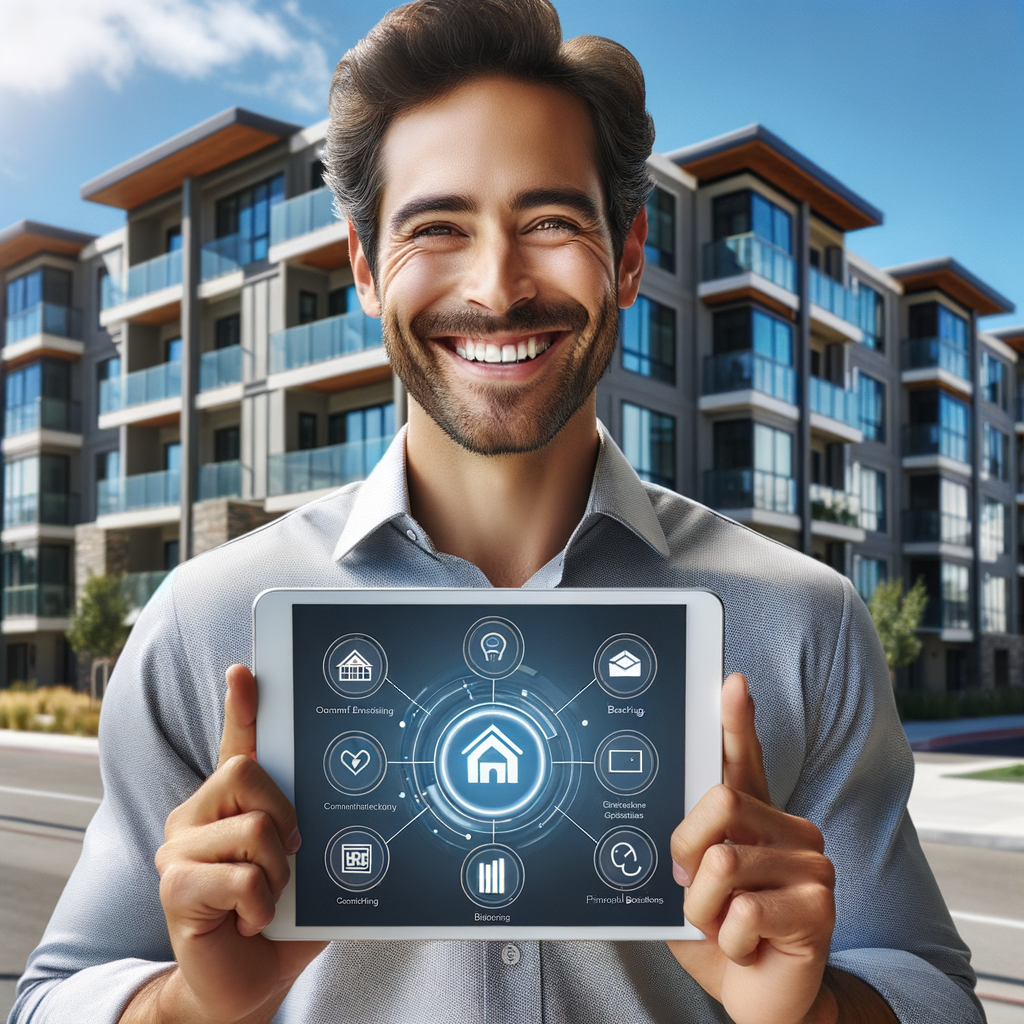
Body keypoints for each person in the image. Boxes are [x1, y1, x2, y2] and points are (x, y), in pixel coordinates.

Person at [14, 2, 980, 1023]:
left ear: (628, 257)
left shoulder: (804, 624)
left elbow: (935, 993)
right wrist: (184, 1006)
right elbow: (53, 995)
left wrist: (814, 1011)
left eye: (552, 222)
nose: (497, 286)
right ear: (363, 266)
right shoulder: (202, 624)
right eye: (437, 227)